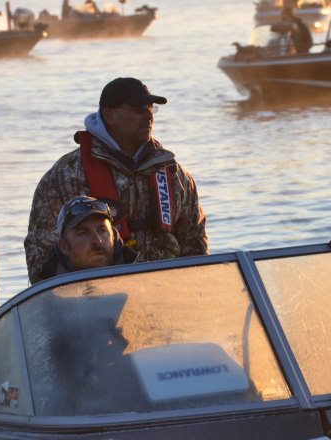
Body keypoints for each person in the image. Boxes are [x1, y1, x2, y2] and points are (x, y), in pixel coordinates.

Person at [0, 196, 138, 422]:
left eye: (102, 231)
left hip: (140, 409)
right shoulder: (40, 304)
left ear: (114, 236)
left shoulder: (143, 290)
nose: (97, 240)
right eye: (83, 233)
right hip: (65, 419)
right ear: (64, 246)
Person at [24, 77, 208, 285]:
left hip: (169, 293)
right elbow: (41, 260)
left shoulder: (174, 174)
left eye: (150, 108)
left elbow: (197, 246)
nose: (148, 115)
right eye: (138, 109)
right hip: (96, 298)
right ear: (109, 115)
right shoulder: (65, 176)